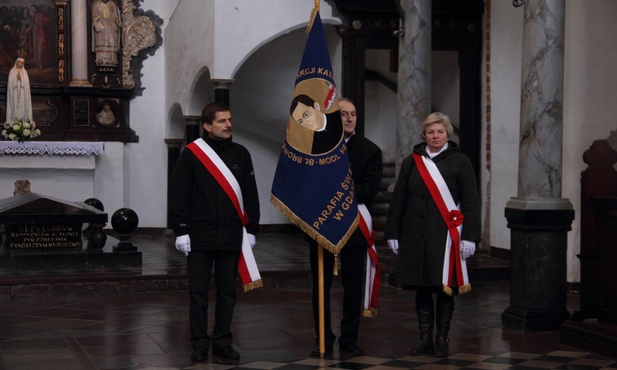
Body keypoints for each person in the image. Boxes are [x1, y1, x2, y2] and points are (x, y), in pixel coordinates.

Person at [168, 102, 260, 363]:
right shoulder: (191, 154)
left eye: (229, 119)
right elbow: (178, 193)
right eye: (222, 121)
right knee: (198, 293)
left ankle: (222, 343)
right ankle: (199, 343)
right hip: (199, 234)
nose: (228, 124)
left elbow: (250, 193)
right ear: (207, 126)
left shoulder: (241, 154)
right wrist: (181, 229)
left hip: (231, 233)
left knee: (227, 292)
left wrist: (251, 228)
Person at [384, 112, 481, 358]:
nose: (435, 136)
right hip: (415, 235)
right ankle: (424, 338)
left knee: (444, 288)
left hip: (446, 237)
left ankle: (442, 339)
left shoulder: (461, 161)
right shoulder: (411, 162)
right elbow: (399, 200)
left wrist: (471, 236)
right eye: (430, 132)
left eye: (440, 131)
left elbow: (471, 201)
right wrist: (392, 231)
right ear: (424, 135)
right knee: (422, 288)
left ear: (448, 133)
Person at [308, 98, 383, 356]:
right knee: (320, 285)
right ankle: (323, 339)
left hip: (354, 228)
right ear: (332, 117)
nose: (349, 118)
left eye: (353, 114)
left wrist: (337, 194)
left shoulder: (370, 150)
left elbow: (370, 189)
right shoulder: (317, 148)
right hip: (322, 227)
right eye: (343, 114)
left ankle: (349, 339)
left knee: (352, 287)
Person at [91, 0, 122, 66]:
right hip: (101, 26)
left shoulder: (112, 4)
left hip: (111, 26)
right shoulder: (96, 4)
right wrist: (96, 24)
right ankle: (100, 59)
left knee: (112, 41)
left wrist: (118, 22)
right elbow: (94, 17)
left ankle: (113, 59)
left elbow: (116, 15)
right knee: (100, 41)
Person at [5, 57, 32, 123]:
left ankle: (23, 123)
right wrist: (16, 79)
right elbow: (10, 84)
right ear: (16, 62)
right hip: (14, 93)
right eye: (19, 62)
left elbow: (26, 85)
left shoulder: (25, 72)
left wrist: (21, 79)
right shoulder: (12, 71)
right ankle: (14, 123)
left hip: (23, 93)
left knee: (22, 107)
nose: (20, 64)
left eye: (22, 63)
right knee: (15, 107)